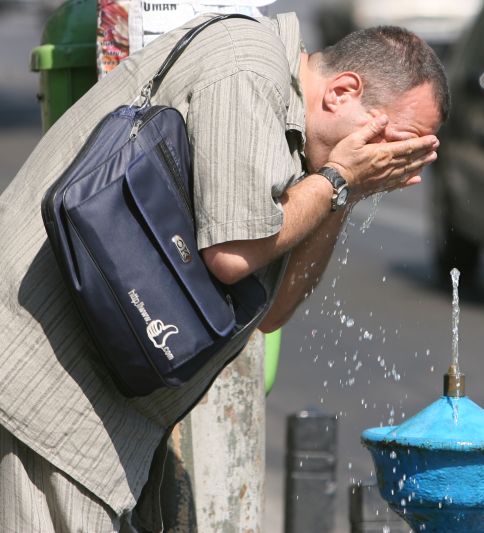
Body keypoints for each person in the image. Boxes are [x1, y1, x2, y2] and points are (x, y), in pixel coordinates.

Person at [0, 12, 448, 532]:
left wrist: (344, 190)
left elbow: (272, 311)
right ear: (342, 91)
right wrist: (341, 179)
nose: (399, 166)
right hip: (43, 396)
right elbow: (233, 255)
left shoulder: (303, 157)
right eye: (397, 142)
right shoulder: (248, 64)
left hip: (91, 419)